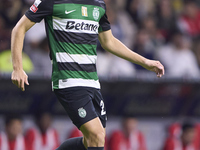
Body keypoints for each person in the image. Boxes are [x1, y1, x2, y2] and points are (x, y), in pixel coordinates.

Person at [11, 0, 164, 150]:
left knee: (93, 140)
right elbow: (19, 28)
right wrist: (18, 68)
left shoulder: (98, 4)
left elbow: (108, 41)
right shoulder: (51, 2)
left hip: (92, 82)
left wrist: (145, 62)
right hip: (68, 80)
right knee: (96, 135)